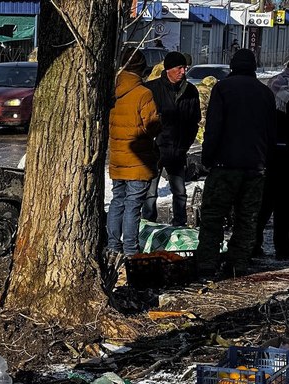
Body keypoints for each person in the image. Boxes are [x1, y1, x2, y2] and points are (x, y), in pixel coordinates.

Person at [196, 49, 276, 278]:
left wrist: (208, 158)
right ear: (254, 66)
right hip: (255, 167)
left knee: (213, 217)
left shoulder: (222, 89)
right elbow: (271, 133)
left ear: (232, 65)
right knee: (247, 218)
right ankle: (238, 263)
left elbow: (213, 128)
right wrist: (266, 161)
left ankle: (207, 263)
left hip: (224, 165)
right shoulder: (265, 93)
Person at [104, 48, 161, 285]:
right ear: (141, 69)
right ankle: (130, 250)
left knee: (118, 200)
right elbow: (153, 125)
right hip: (138, 159)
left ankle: (112, 247)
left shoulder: (112, 92)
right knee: (133, 205)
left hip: (118, 158)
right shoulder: (143, 94)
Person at [254, 56, 289, 260]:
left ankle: (254, 244)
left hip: (267, 152)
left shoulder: (271, 84)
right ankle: (282, 248)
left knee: (264, 202)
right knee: (284, 204)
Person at [142, 51, 201, 227]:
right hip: (155, 151)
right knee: (150, 193)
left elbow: (194, 121)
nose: (183, 72)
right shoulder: (152, 89)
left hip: (178, 150)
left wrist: (185, 144)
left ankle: (179, 225)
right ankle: (148, 225)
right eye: (179, 68)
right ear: (168, 69)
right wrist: (151, 143)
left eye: (185, 68)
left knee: (180, 192)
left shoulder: (190, 91)